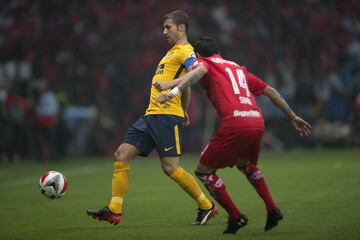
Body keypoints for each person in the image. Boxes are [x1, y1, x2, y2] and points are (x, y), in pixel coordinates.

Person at [154, 37, 311, 234]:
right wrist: (292, 116)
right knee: (246, 165)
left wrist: (173, 91)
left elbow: (200, 70)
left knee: (203, 171)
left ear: (199, 54)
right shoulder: (237, 67)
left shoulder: (204, 62)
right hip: (256, 120)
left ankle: (236, 217)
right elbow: (269, 90)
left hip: (236, 123)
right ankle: (272, 209)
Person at [86, 11, 217, 226]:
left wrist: (175, 103)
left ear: (182, 28)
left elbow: (196, 72)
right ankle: (114, 210)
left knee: (171, 168)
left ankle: (206, 206)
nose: (163, 32)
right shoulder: (170, 53)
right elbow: (185, 88)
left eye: (168, 27)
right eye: (163, 27)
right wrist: (184, 109)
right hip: (151, 115)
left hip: (165, 116)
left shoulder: (185, 50)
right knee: (121, 154)